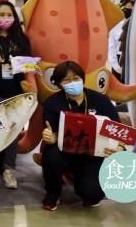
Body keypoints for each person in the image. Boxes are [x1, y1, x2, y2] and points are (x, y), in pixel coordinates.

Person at [40, 60, 123, 211]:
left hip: (92, 154)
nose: (73, 83)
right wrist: (50, 137)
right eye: (67, 80)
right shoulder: (52, 103)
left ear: (82, 79)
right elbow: (49, 130)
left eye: (76, 78)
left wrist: (120, 147)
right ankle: (53, 192)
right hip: (62, 151)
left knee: (93, 195)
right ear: (59, 84)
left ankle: (84, 185)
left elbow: (119, 129)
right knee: (50, 155)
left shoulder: (100, 100)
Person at [0, 1, 32, 189]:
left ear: (14, 17)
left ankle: (9, 169)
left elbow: (27, 66)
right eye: (1, 14)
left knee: (13, 132)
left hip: (15, 93)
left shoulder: (22, 39)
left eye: (9, 15)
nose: (5, 18)